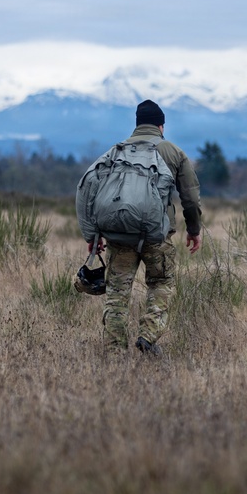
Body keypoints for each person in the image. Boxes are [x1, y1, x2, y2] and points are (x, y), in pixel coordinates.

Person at [77, 99, 203, 356]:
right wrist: (194, 230)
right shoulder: (174, 152)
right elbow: (190, 197)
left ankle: (114, 353)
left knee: (117, 295)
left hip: (119, 236)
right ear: (161, 126)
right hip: (157, 237)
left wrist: (91, 234)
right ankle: (148, 335)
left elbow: (86, 187)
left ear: (137, 125)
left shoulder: (116, 151)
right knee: (161, 283)